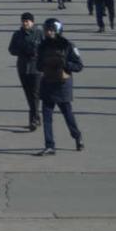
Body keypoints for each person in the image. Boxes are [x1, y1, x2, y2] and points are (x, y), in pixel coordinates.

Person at [35, 18, 84, 155]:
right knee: (46, 117)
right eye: (46, 30)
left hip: (63, 85)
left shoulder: (68, 45)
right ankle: (50, 145)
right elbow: (38, 65)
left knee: (68, 115)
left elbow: (79, 66)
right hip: (48, 83)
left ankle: (77, 136)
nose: (48, 33)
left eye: (50, 30)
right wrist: (46, 65)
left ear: (57, 30)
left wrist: (64, 65)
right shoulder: (43, 46)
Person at [8, 12, 44, 131]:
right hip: (23, 67)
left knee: (35, 94)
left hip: (36, 68)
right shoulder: (17, 35)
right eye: (23, 21)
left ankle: (33, 119)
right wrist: (22, 50)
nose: (25, 23)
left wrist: (36, 52)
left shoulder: (39, 33)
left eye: (27, 21)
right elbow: (11, 49)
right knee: (28, 94)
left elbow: (46, 47)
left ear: (32, 22)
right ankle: (36, 116)